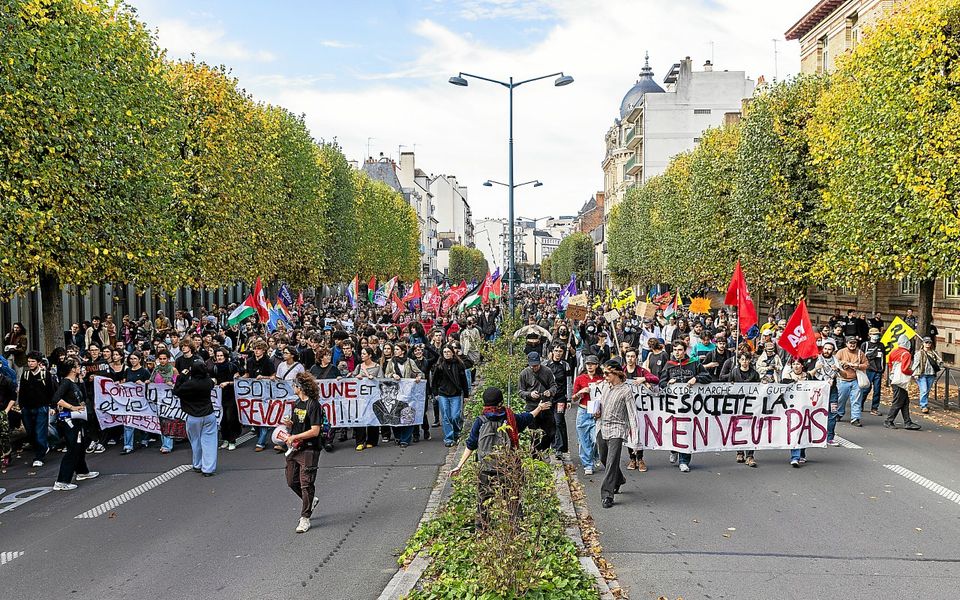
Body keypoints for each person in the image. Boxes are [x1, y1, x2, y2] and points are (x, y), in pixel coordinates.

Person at [449, 387, 551, 527]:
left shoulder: (480, 420)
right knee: (512, 498)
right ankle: (515, 527)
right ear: (500, 403)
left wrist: (459, 465)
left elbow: (471, 445)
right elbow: (528, 417)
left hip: (485, 466)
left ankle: (482, 528)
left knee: (483, 500)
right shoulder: (510, 418)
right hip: (507, 466)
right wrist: (539, 407)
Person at [282, 371, 325, 533]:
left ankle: (305, 517)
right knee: (292, 481)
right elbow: (298, 424)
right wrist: (290, 424)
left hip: (309, 449)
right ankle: (310, 500)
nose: (293, 387)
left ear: (300, 387)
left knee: (306, 483)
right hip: (295, 448)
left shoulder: (313, 405)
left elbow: (315, 430)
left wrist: (296, 436)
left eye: (294, 385)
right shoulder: (296, 403)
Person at [593, 359, 640, 508]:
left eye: (607, 373)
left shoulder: (626, 391)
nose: (604, 376)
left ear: (617, 373)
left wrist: (635, 441)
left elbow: (632, 415)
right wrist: (597, 412)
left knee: (612, 461)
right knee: (603, 457)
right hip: (602, 426)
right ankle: (618, 479)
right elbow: (600, 404)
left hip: (617, 429)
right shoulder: (606, 386)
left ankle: (607, 494)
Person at [662, 340, 711, 471]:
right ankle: (673, 449)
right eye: (675, 350)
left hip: (690, 407)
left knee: (687, 432)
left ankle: (684, 461)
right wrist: (667, 382)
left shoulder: (694, 363)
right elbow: (661, 382)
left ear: (685, 351)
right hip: (673, 407)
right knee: (674, 430)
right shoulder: (668, 365)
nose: (677, 353)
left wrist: (697, 378)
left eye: (680, 350)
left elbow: (707, 377)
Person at [52, 358, 99, 490]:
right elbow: (56, 398)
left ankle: (82, 471)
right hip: (69, 420)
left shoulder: (74, 382)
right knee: (73, 448)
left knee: (80, 445)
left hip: (78, 419)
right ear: (73, 369)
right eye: (78, 366)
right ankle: (62, 481)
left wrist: (81, 380)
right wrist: (71, 407)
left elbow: (83, 397)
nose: (80, 368)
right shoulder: (66, 382)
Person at [173, 362, 217, 476]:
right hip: (209, 415)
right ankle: (208, 468)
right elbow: (212, 381)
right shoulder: (208, 382)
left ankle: (197, 464)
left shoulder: (190, 384)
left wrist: (181, 376)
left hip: (193, 416)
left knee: (195, 441)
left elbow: (176, 391)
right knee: (209, 442)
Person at [18, 351, 57, 467]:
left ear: (39, 363)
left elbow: (51, 391)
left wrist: (52, 406)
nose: (30, 364)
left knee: (40, 432)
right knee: (30, 432)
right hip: (27, 408)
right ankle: (43, 447)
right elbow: (22, 393)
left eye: (33, 361)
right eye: (29, 361)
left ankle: (39, 456)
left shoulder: (46, 375)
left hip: (42, 407)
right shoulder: (25, 375)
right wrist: (21, 407)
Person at [622, 347, 659, 472]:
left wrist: (644, 379)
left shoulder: (642, 371)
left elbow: (656, 379)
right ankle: (632, 458)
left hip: (640, 408)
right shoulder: (621, 371)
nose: (630, 359)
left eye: (632, 356)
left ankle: (640, 458)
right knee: (629, 433)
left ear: (636, 358)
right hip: (626, 407)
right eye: (628, 356)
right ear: (625, 358)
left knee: (639, 432)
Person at [722, 350, 760, 467]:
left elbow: (758, 389)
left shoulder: (754, 374)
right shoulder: (734, 372)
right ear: (739, 361)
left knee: (751, 429)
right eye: (742, 359)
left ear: (750, 361)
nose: (744, 362)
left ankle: (750, 455)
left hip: (750, 406)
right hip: (737, 405)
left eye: (746, 359)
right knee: (738, 428)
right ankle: (739, 452)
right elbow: (729, 387)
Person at [517, 351, 558, 456]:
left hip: (545, 404)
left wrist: (550, 391)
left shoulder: (547, 371)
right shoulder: (524, 373)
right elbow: (520, 391)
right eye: (532, 366)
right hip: (532, 406)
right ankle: (534, 454)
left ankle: (543, 451)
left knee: (550, 431)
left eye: (536, 365)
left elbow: (554, 386)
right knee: (533, 433)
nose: (535, 367)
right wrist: (530, 394)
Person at [431, 344, 469, 448]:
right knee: (446, 417)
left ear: (452, 352)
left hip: (456, 393)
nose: (447, 354)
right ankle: (448, 437)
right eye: (445, 352)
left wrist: (466, 395)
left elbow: (464, 381)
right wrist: (435, 394)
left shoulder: (459, 365)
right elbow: (434, 381)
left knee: (455, 416)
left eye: (448, 352)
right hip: (443, 394)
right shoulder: (439, 366)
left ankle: (456, 431)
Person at [572, 355, 603, 475]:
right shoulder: (580, 379)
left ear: (596, 365)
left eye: (592, 364)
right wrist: (581, 392)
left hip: (596, 411)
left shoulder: (601, 379)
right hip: (583, 411)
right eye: (587, 364)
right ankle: (587, 464)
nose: (590, 366)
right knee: (584, 440)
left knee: (595, 439)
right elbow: (573, 398)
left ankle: (594, 456)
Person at [243, 341, 276, 451]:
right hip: (253, 392)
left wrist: (263, 377)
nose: (256, 351)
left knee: (264, 416)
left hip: (265, 393)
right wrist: (240, 379)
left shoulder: (268, 362)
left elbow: (273, 376)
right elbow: (247, 374)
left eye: (258, 349)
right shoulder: (250, 361)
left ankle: (261, 442)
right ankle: (259, 436)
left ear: (263, 350)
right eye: (255, 348)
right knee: (255, 417)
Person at [886, 335, 921, 430]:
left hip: (894, 378)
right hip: (901, 380)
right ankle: (889, 420)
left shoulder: (893, 352)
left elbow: (889, 364)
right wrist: (912, 372)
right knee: (898, 401)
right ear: (908, 343)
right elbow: (905, 369)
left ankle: (907, 422)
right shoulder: (906, 354)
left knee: (904, 401)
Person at [782, 358, 811, 467]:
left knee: (803, 431)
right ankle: (795, 457)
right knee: (795, 431)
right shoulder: (787, 377)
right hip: (792, 409)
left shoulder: (808, 377)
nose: (796, 366)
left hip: (806, 408)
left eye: (798, 364)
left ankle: (802, 453)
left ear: (802, 365)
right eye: (793, 364)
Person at [353, 347, 384, 450]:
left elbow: (381, 380)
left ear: (370, 355)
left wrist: (373, 379)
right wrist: (356, 377)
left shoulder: (377, 367)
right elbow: (352, 378)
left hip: (373, 396)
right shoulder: (359, 366)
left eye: (364, 353)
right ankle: (360, 441)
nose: (362, 355)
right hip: (361, 397)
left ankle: (372, 440)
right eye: (361, 353)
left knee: (372, 416)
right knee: (360, 417)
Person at [544, 344, 571, 461]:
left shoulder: (565, 365)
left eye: (560, 351)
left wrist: (569, 398)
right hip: (548, 398)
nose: (558, 353)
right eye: (556, 350)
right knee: (548, 421)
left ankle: (559, 448)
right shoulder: (545, 365)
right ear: (552, 352)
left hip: (560, 397)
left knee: (559, 421)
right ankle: (547, 446)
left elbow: (569, 382)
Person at [211, 347, 241, 451]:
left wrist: (228, 383)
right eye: (217, 356)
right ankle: (225, 439)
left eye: (221, 356)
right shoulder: (213, 368)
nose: (219, 358)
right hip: (219, 397)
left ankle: (232, 440)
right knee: (222, 419)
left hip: (231, 396)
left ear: (225, 356)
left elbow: (238, 381)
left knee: (230, 418)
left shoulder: (232, 367)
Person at [812, 341, 842, 445]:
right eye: (825, 348)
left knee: (832, 413)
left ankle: (830, 437)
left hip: (832, 390)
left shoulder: (836, 361)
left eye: (829, 349)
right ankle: (814, 435)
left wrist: (837, 369)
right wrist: (816, 368)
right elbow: (809, 374)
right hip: (818, 389)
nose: (827, 351)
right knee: (816, 412)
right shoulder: (817, 359)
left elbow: (845, 375)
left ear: (833, 351)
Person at [835, 336, 867, 427]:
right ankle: (839, 413)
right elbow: (835, 362)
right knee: (841, 399)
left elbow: (866, 364)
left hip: (856, 379)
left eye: (854, 343)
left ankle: (855, 418)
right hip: (842, 380)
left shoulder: (860, 353)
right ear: (846, 343)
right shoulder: (841, 352)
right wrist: (844, 364)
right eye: (850, 343)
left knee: (856, 400)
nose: (852, 345)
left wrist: (858, 366)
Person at [912, 337, 943, 414]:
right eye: (926, 342)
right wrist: (915, 373)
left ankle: (924, 403)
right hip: (921, 374)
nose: (928, 344)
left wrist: (940, 362)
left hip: (931, 374)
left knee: (927, 390)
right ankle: (923, 405)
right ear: (923, 343)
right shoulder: (919, 353)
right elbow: (916, 364)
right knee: (924, 390)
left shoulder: (934, 353)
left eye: (929, 342)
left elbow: (937, 364)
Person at [861, 328, 886, 416]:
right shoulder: (865, 345)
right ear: (870, 335)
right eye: (874, 334)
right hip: (868, 370)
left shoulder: (881, 345)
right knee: (866, 389)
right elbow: (861, 357)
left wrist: (883, 370)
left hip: (878, 371)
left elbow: (884, 358)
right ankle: (860, 404)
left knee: (877, 390)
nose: (876, 336)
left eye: (878, 334)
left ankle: (874, 408)